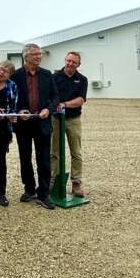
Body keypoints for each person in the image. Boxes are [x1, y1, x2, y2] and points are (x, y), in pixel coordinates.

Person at [10, 43, 59, 210]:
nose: (39, 57)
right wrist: (17, 112)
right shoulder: (15, 76)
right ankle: (29, 189)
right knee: (25, 158)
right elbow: (10, 99)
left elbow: (55, 97)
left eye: (40, 54)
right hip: (23, 125)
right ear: (26, 57)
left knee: (44, 158)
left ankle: (44, 193)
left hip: (42, 123)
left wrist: (48, 110)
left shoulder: (47, 75)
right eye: (35, 54)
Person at [51, 51, 88, 197]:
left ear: (78, 64)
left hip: (73, 120)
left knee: (76, 152)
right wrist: (56, 105)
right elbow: (51, 97)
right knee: (54, 153)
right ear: (65, 60)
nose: (70, 64)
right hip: (56, 120)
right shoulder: (54, 77)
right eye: (68, 60)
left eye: (74, 62)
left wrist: (64, 104)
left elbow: (81, 100)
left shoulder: (82, 80)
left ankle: (76, 183)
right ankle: (55, 182)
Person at [0, 60, 19, 207]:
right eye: (0, 68)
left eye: (5, 71)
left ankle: (0, 193)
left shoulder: (12, 86)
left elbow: (14, 106)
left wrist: (7, 114)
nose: (1, 72)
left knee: (0, 161)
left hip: (2, 128)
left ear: (10, 75)